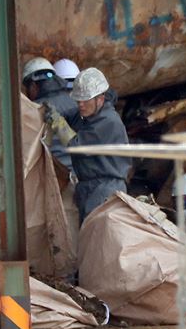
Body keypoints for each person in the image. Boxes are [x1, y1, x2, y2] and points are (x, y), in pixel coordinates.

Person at [44, 67, 131, 223]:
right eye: (78, 101)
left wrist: (58, 123)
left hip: (105, 189)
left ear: (100, 99)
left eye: (85, 101)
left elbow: (77, 147)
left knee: (98, 237)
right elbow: (70, 115)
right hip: (89, 187)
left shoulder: (108, 121)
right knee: (87, 236)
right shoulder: (89, 113)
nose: (81, 105)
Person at [22, 57, 78, 170]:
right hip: (81, 173)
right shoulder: (76, 103)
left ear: (33, 86)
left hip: (57, 177)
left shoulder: (34, 110)